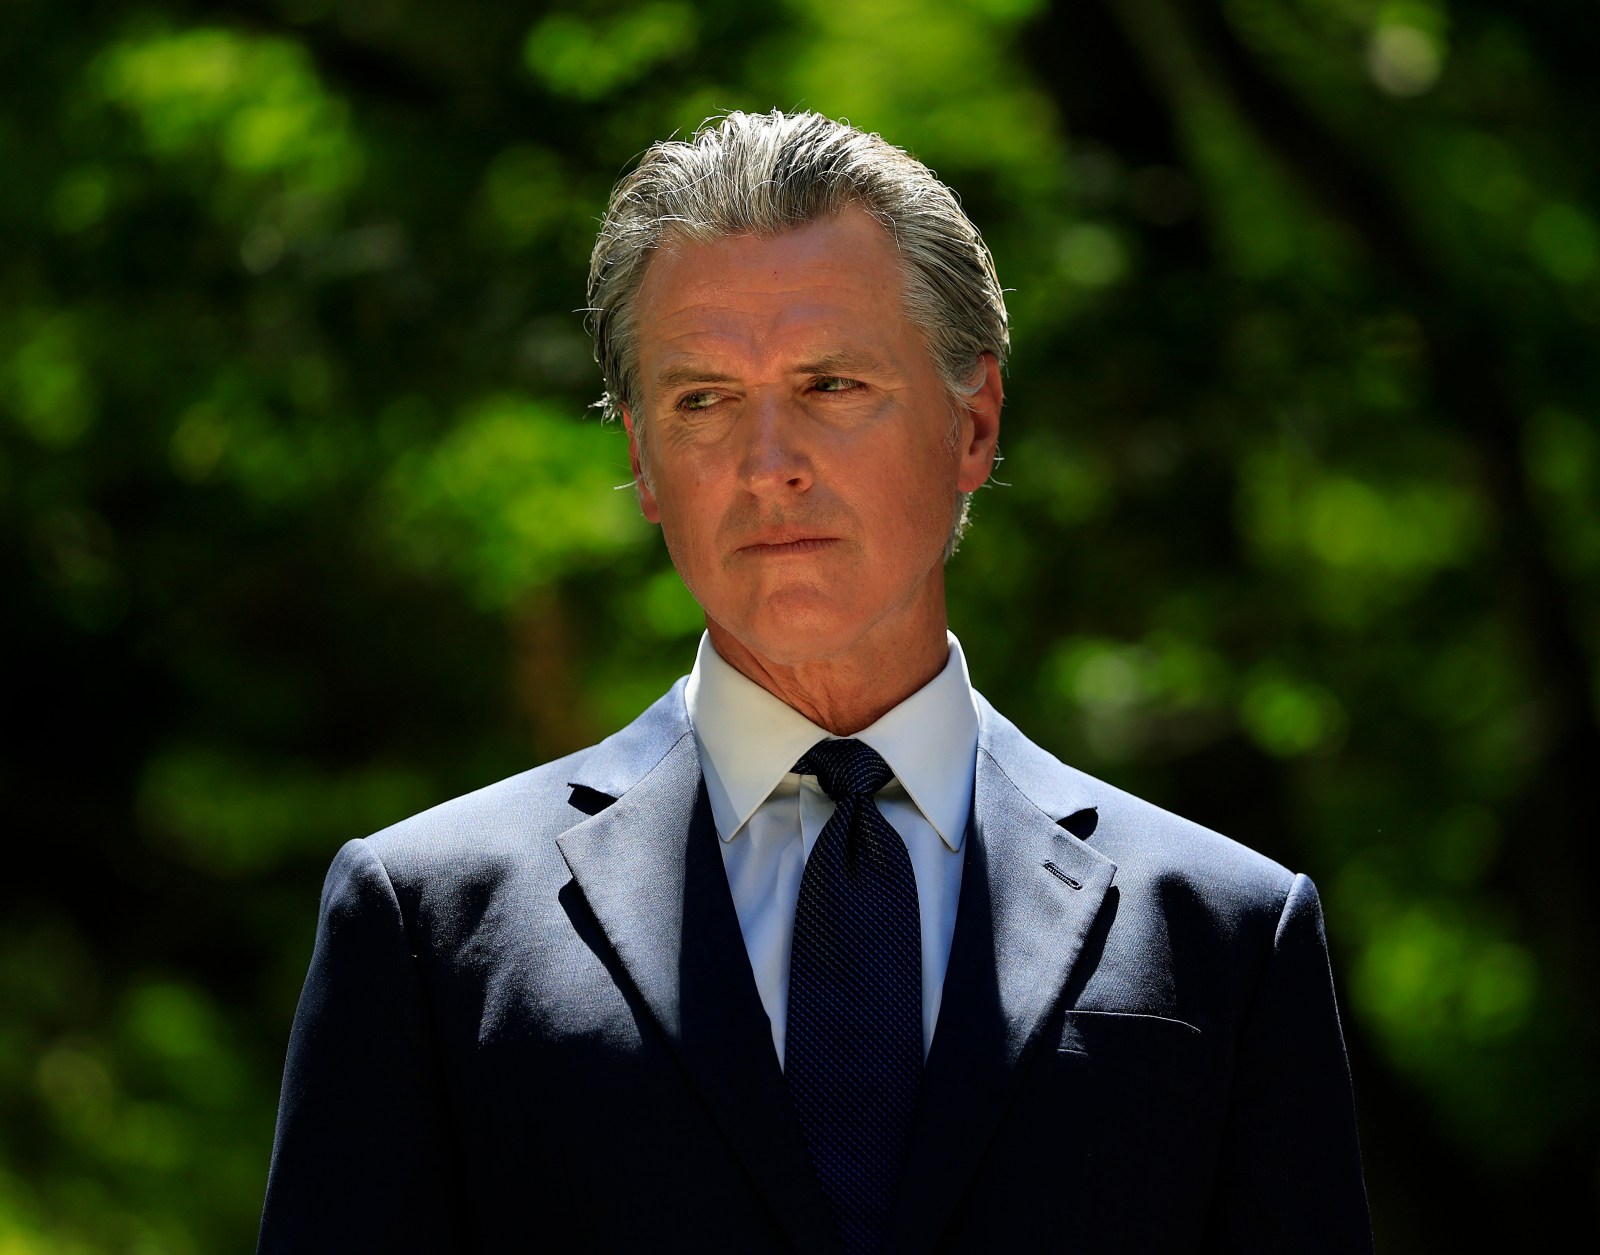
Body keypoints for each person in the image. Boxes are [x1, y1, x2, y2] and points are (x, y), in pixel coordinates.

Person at [258, 110, 1372, 1254]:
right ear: (642, 460)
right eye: (702, 400)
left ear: (974, 423)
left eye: (831, 384)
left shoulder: (1224, 931)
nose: (766, 463)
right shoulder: (428, 925)